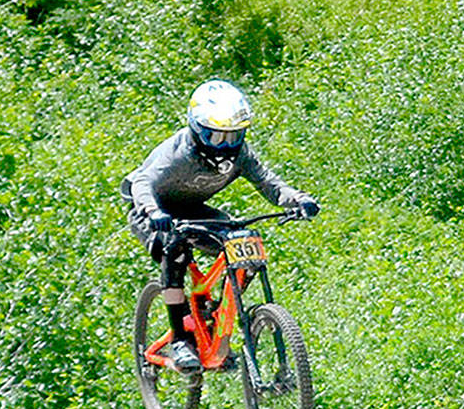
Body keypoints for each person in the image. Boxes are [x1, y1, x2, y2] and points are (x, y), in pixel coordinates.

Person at [122, 79, 321, 374]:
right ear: (198, 130)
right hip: (151, 209)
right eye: (217, 137)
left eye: (233, 136)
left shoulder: (240, 154)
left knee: (244, 245)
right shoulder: (177, 153)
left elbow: (270, 183)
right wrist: (153, 212)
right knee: (174, 249)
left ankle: (213, 317)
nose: (226, 145)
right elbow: (142, 183)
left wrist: (299, 199)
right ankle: (179, 340)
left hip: (192, 210)